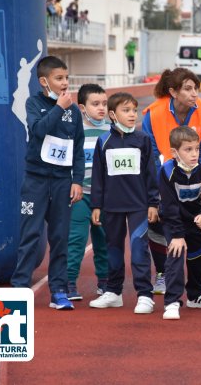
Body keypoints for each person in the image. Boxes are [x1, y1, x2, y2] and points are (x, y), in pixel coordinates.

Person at [142, 68, 201, 296]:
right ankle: (162, 275)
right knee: (159, 224)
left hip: (192, 176)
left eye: (196, 89)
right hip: (164, 177)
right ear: (173, 92)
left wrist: (199, 176)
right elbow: (148, 152)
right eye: (188, 89)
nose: (194, 94)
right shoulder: (153, 114)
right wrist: (162, 183)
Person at [10, 56, 85, 311]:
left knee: (60, 237)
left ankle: (59, 291)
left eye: (66, 78)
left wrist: (78, 180)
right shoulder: (33, 104)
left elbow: (77, 148)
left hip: (63, 183)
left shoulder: (74, 112)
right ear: (44, 82)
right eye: (59, 79)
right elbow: (39, 131)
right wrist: (58, 108)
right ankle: (20, 288)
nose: (65, 83)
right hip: (36, 181)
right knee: (30, 234)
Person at [88, 92, 160, 314]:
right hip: (111, 206)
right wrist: (97, 205)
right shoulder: (103, 142)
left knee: (139, 250)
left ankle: (145, 295)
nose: (132, 115)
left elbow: (151, 173)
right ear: (112, 114)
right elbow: (98, 176)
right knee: (114, 250)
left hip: (139, 206)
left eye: (134, 110)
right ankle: (113, 292)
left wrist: (153, 203)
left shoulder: (143, 140)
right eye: (126, 110)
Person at [158, 126, 201, 320]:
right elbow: (169, 206)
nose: (194, 154)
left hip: (196, 220)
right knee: (176, 256)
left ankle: (195, 295)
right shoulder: (167, 172)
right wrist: (177, 235)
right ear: (174, 152)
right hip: (173, 221)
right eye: (188, 150)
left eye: (197, 149)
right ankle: (172, 301)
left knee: (198, 256)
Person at [66, 84, 109, 301]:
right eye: (95, 104)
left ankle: (105, 281)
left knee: (104, 240)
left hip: (105, 197)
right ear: (82, 107)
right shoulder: (75, 131)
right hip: (80, 195)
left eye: (104, 103)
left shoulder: (112, 131)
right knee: (77, 240)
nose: (101, 108)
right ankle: (69, 282)